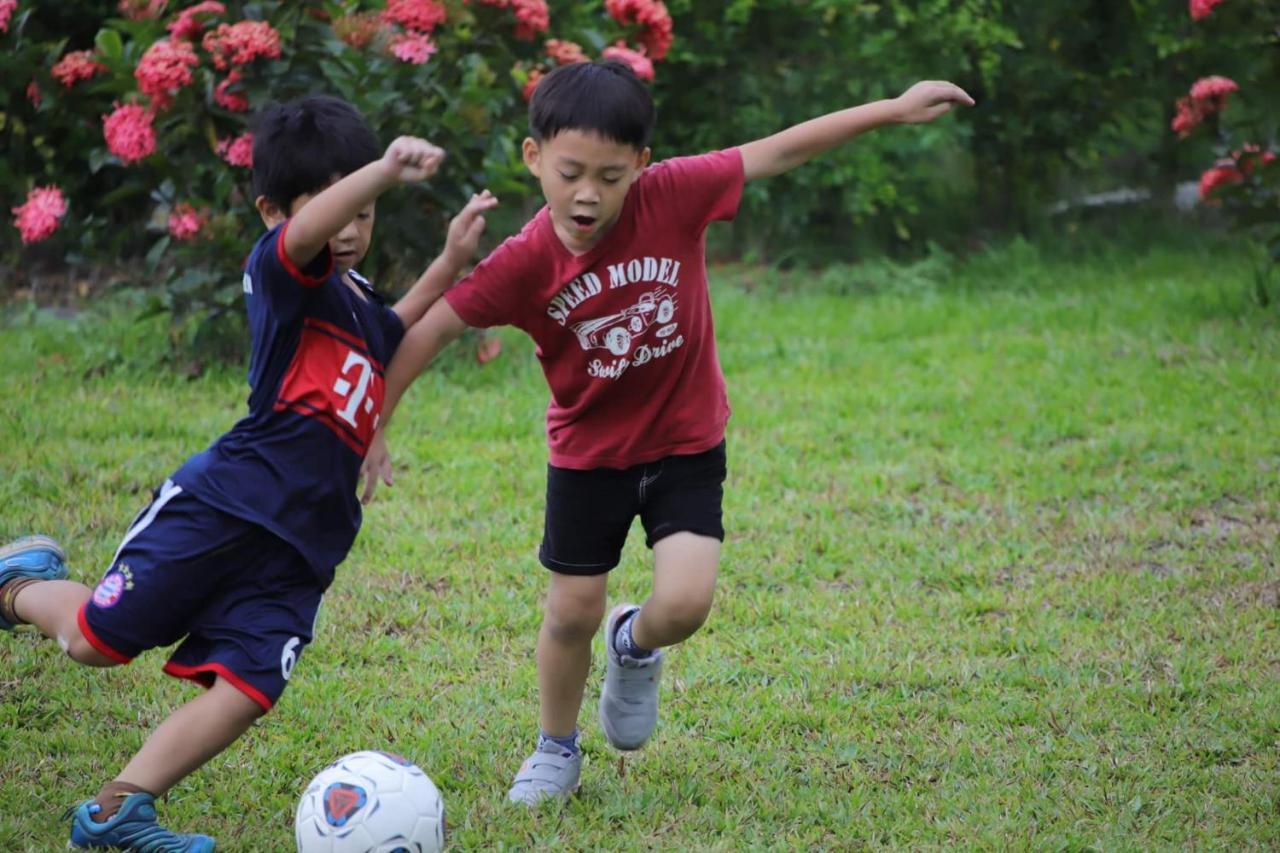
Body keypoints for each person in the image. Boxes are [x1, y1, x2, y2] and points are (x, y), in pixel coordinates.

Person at [363, 61, 973, 805]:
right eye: (571, 172)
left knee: (684, 604)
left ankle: (635, 644)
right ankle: (556, 746)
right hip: (588, 459)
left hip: (686, 443)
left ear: (641, 165)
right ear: (534, 160)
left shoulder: (674, 194)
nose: (589, 193)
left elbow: (776, 150)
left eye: (611, 176)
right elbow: (432, 329)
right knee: (570, 611)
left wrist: (892, 107)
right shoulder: (524, 261)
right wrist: (377, 423)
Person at [0, 94, 496, 850]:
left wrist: (454, 263)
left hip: (306, 547)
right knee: (94, 643)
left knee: (249, 687)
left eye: (365, 214)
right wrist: (385, 171)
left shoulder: (358, 299)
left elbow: (394, 331)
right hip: (227, 505)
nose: (354, 228)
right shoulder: (281, 271)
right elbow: (309, 236)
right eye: (340, 208)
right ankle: (19, 583)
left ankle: (117, 810)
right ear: (275, 211)